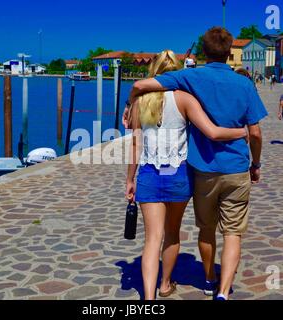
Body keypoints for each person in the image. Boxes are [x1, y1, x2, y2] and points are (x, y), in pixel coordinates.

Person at [123, 27, 268, 300]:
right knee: (216, 233)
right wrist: (249, 150)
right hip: (213, 170)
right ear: (229, 53)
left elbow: (141, 97)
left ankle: (179, 289)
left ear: (202, 53)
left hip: (178, 172)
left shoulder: (178, 83)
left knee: (184, 233)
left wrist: (130, 106)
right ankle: (208, 289)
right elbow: (236, 132)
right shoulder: (226, 88)